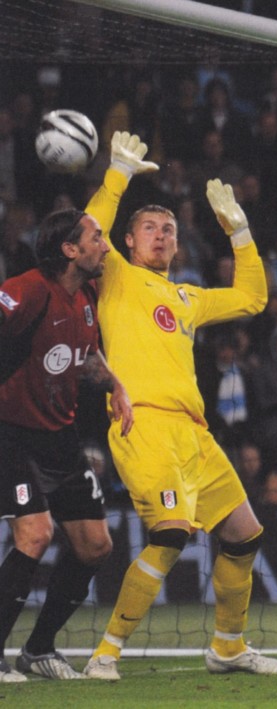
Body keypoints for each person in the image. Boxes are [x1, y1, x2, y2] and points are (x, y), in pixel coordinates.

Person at [82, 133, 277, 679]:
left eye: (168, 229)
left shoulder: (187, 297)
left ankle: (227, 647)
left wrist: (239, 232)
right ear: (127, 241)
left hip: (194, 433)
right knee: (172, 532)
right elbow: (87, 234)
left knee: (245, 533)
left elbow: (252, 297)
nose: (162, 234)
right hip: (141, 422)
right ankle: (105, 653)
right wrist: (118, 174)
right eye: (149, 227)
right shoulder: (117, 279)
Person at [0, 209, 132, 682]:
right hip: (11, 434)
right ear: (70, 250)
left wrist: (113, 384)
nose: (106, 245)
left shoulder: (88, 296)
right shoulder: (29, 288)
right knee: (35, 534)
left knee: (95, 545)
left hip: (61, 435)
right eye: (97, 237)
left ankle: (38, 650)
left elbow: (85, 356)